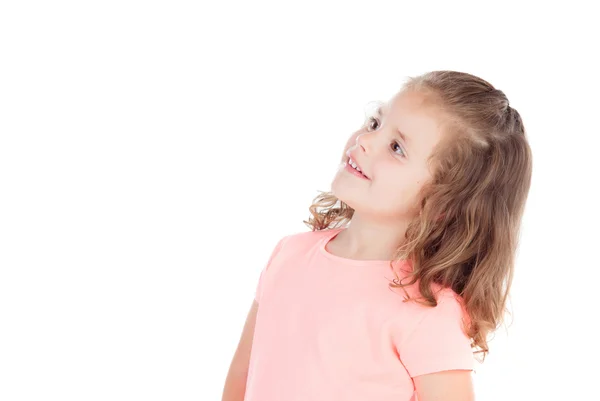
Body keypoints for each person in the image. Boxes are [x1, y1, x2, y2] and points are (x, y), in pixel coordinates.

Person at [221, 70, 533, 401]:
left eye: (397, 147)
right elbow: (243, 374)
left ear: (443, 202)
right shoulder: (288, 254)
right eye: (375, 124)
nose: (365, 141)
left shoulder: (426, 310)